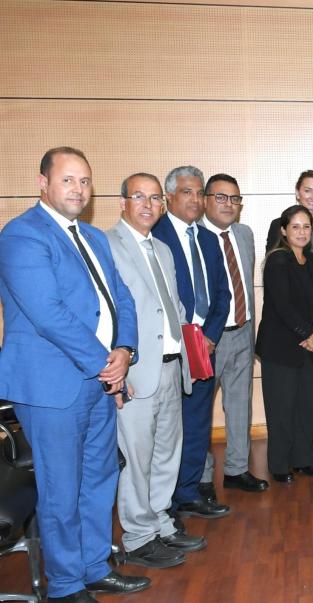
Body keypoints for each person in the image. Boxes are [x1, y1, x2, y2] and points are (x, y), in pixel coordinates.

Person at [0, 147, 149, 600]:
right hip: (53, 386)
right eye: (67, 180)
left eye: (84, 181)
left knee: (99, 479)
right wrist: (108, 363)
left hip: (100, 381)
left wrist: (125, 349)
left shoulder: (94, 237)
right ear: (43, 183)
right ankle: (64, 586)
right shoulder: (22, 235)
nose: (78, 189)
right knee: (62, 489)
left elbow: (120, 297)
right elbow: (48, 313)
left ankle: (92, 566)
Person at [106, 173, 206, 569]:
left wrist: (188, 357)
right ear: (123, 202)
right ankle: (137, 535)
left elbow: (175, 309)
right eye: (138, 197)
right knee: (137, 457)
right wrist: (117, 368)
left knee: (167, 453)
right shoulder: (107, 246)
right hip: (135, 371)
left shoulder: (163, 249)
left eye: (153, 199)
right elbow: (108, 315)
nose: (147, 205)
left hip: (170, 366)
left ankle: (160, 521)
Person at [152, 166, 231, 520]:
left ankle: (187, 493)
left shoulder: (209, 239)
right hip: (170, 347)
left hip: (204, 346)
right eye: (187, 192)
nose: (195, 200)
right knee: (167, 430)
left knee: (198, 423)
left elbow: (222, 294)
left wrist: (211, 335)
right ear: (169, 196)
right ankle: (162, 505)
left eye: (200, 193)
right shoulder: (155, 234)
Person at [200, 174, 267, 493]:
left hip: (242, 332)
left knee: (240, 406)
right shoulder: (195, 237)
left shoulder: (244, 234)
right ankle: (200, 477)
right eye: (221, 197)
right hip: (208, 340)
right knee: (199, 411)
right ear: (205, 199)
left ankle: (237, 469)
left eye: (235, 199)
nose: (229, 205)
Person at [257, 206, 313, 482]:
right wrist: (307, 334)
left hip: (312, 345)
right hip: (282, 348)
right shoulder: (277, 261)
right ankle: (279, 465)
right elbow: (282, 306)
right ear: (284, 231)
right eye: (295, 227)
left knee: (307, 406)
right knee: (282, 408)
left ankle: (304, 459)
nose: (302, 232)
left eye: (306, 227)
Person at [266, 171, 313, 460]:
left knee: (312, 393)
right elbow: (280, 298)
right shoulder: (278, 254)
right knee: (285, 401)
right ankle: (284, 461)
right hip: (287, 336)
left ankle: (309, 448)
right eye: (308, 190)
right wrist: (306, 333)